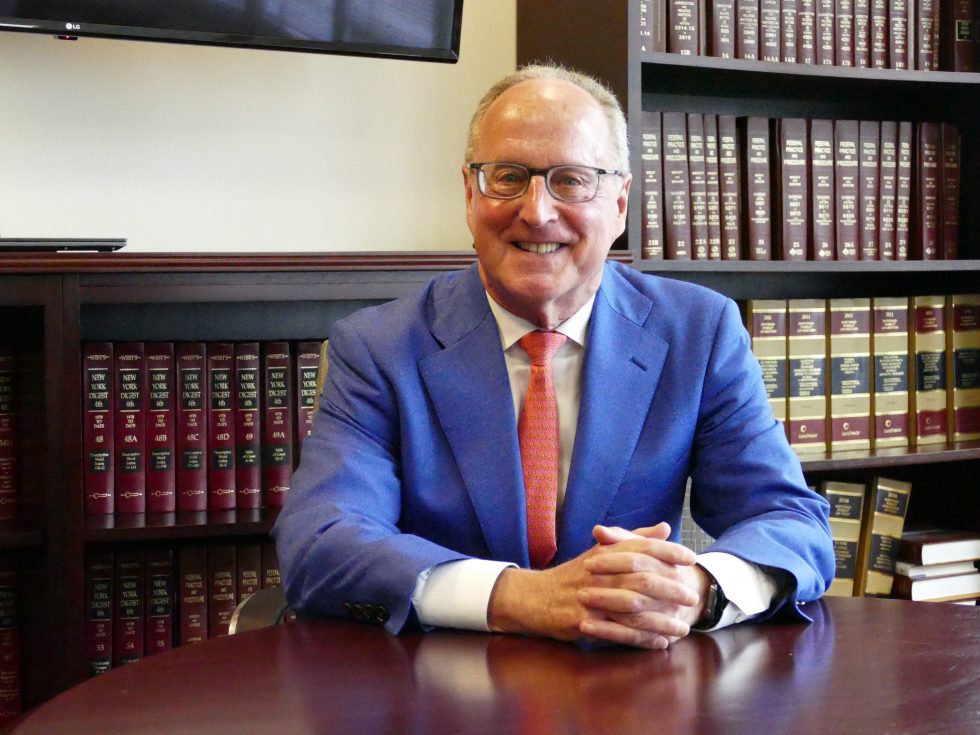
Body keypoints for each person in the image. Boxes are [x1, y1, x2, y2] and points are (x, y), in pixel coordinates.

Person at [272, 64, 834, 650]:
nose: (537, 212)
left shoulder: (700, 331)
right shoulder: (379, 347)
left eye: (571, 180)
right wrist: (523, 598)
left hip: (630, 691)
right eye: (508, 177)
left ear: (619, 202)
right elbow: (321, 540)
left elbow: (790, 523)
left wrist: (697, 589)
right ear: (470, 193)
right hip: (443, 691)